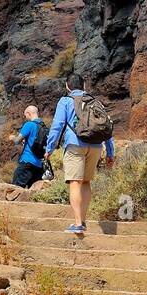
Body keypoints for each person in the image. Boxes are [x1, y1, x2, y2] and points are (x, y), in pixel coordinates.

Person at [45, 73, 115, 234]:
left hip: (75, 144)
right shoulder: (95, 102)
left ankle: (77, 224)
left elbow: (57, 125)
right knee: (86, 182)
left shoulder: (65, 101)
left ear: (67, 87)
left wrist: (49, 149)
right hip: (96, 146)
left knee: (75, 182)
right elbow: (107, 127)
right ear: (84, 86)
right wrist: (110, 153)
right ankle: (82, 220)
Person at [10, 105, 47, 188]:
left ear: (29, 113)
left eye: (25, 115)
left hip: (27, 162)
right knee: (33, 192)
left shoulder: (29, 125)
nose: (25, 117)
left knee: (15, 188)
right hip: (39, 165)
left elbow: (17, 141)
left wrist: (12, 138)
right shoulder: (44, 127)